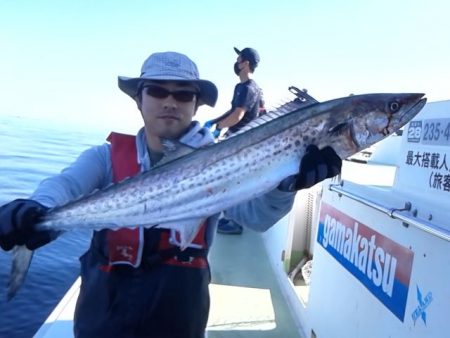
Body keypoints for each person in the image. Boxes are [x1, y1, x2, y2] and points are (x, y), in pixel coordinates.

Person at [0, 51, 342, 338]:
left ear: (196, 105)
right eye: (157, 91)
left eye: (183, 95)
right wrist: (34, 209)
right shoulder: (104, 158)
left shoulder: (224, 161)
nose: (169, 102)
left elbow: (258, 217)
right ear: (139, 98)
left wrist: (286, 185)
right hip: (103, 312)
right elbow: (64, 186)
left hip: (179, 315)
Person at [205, 47, 265, 235]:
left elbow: (238, 116)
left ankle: (233, 221)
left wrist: (219, 128)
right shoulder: (252, 88)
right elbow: (234, 110)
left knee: (232, 178)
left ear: (245, 63)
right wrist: (214, 122)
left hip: (240, 142)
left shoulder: (247, 88)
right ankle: (231, 218)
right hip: (246, 140)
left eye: (239, 59)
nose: (236, 62)